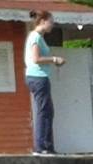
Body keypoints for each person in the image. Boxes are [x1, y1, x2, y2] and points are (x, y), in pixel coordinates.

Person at [24, 10, 64, 155]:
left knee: (47, 111)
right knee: (43, 111)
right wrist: (54, 59)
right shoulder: (35, 37)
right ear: (43, 21)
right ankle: (41, 146)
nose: (52, 25)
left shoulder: (39, 37)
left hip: (39, 77)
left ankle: (47, 145)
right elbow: (36, 59)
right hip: (38, 77)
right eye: (50, 22)